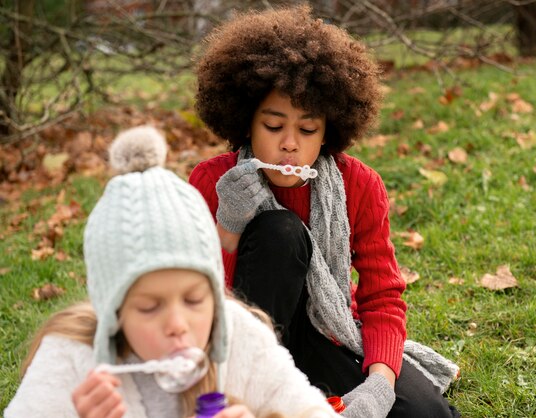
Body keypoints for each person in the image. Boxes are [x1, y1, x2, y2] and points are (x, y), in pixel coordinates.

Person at [189, 6, 460, 418]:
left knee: (427, 414)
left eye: (307, 129)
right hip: (243, 347)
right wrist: (228, 230)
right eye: (274, 126)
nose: (290, 145)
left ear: (329, 129)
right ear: (246, 122)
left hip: (328, 331)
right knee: (280, 230)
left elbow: (381, 296)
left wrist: (381, 386)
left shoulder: (360, 184)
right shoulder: (212, 181)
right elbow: (195, 297)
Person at [4, 126, 340, 418]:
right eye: (150, 307)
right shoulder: (72, 360)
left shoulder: (240, 337)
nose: (177, 325)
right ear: (112, 311)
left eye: (195, 300)